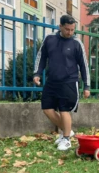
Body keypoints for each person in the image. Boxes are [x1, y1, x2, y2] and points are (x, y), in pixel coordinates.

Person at [33, 15, 90, 151]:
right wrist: (37, 73)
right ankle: (67, 130)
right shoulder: (49, 39)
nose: (70, 32)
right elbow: (41, 57)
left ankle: (66, 139)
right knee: (47, 108)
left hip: (69, 82)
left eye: (72, 30)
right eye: (67, 29)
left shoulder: (77, 43)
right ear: (60, 27)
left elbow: (84, 66)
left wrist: (86, 86)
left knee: (64, 110)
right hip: (52, 81)